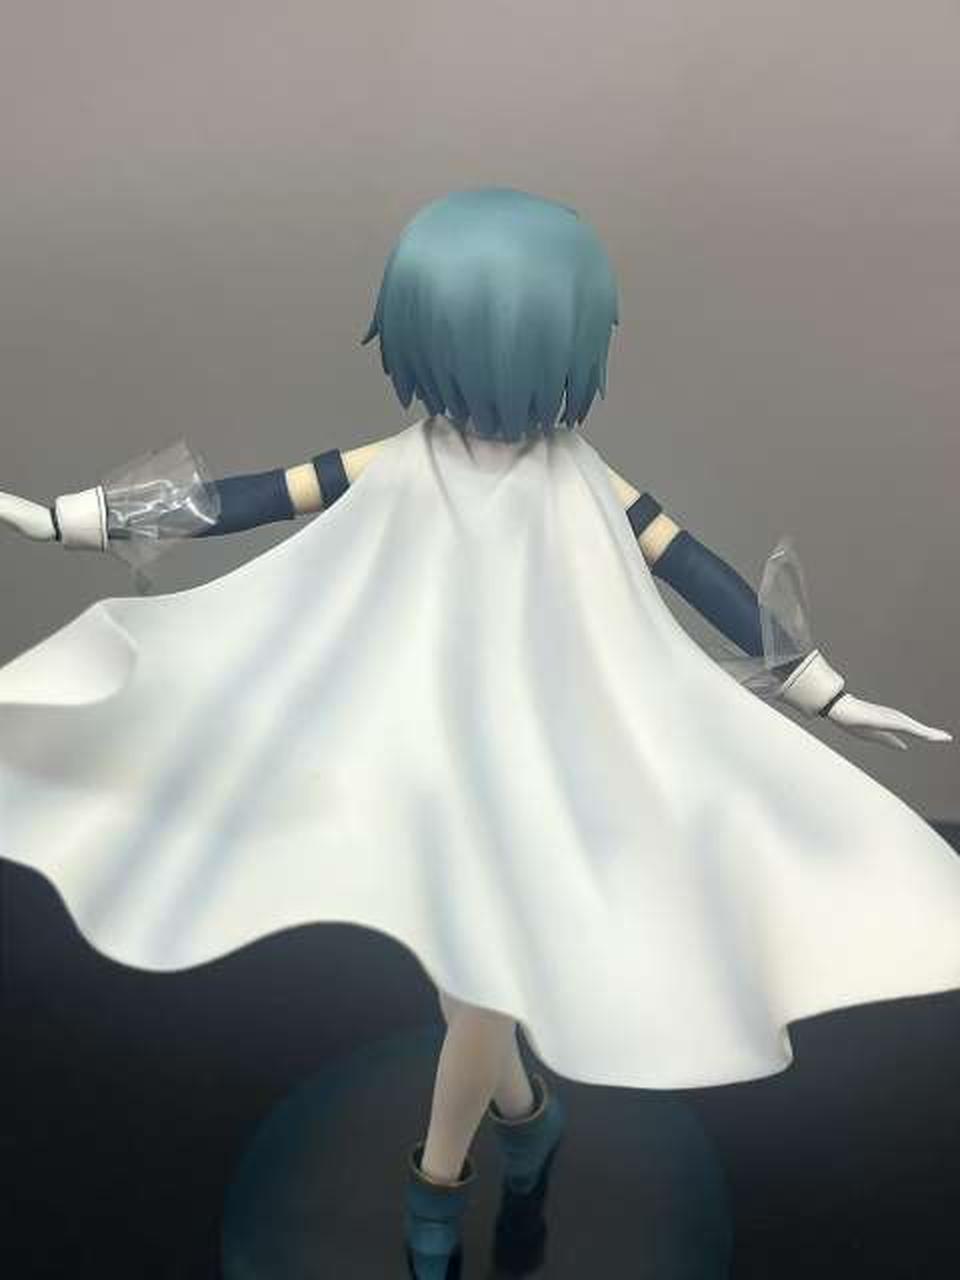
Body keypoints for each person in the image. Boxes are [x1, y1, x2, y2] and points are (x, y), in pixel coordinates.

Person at [1, 187, 956, 1279]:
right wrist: (72, 519)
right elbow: (246, 498)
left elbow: (702, 575)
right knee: (471, 974)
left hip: (551, 767)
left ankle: (437, 1181)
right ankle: (527, 1121)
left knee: (484, 973)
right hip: (422, 751)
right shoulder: (406, 465)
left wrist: (828, 695)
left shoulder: (585, 487)